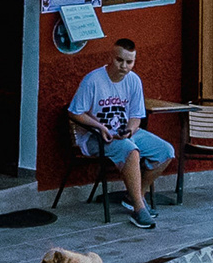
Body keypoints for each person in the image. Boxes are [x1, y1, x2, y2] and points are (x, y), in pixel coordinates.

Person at [67, 37, 170, 226]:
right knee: (130, 151)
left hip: (123, 133)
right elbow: (75, 112)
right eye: (119, 60)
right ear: (111, 57)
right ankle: (139, 209)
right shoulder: (93, 80)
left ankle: (136, 196)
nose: (124, 66)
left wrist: (130, 130)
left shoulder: (134, 81)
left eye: (129, 62)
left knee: (165, 151)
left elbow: (136, 116)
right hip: (95, 137)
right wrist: (100, 127)